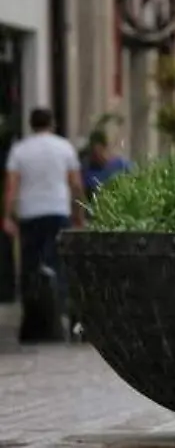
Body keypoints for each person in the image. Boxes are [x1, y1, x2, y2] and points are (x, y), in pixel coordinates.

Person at [3, 108, 83, 340]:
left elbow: (11, 186)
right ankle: (61, 315)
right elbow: (75, 184)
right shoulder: (64, 147)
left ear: (31, 124)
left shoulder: (20, 150)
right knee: (58, 265)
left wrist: (7, 216)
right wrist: (80, 214)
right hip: (58, 210)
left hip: (30, 214)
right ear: (53, 123)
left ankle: (34, 322)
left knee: (30, 267)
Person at [81, 130, 131, 202]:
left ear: (105, 148)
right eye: (94, 153)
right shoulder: (87, 172)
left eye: (99, 151)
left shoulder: (122, 165)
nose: (97, 156)